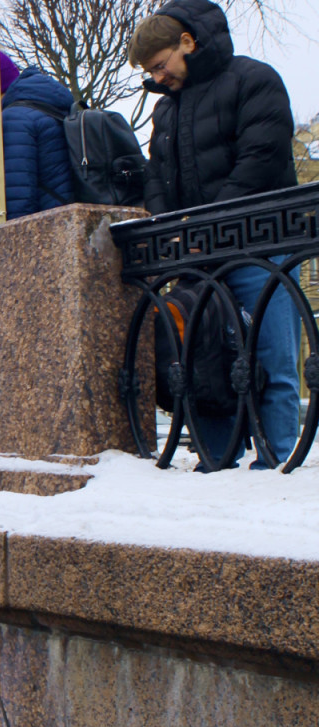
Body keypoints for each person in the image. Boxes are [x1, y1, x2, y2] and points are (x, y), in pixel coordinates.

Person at [131, 0, 299, 467]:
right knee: (201, 362)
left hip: (261, 248)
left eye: (160, 65)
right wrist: (168, 224)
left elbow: (261, 159)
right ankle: (217, 461)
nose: (158, 77)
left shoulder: (253, 78)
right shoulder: (166, 110)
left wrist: (206, 223)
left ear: (187, 42)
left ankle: (276, 463)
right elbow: (156, 178)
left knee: (273, 359)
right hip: (200, 256)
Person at [0, 51, 74, 219]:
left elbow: (19, 194)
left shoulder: (12, 118)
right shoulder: (49, 103)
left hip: (48, 223)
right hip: (69, 211)